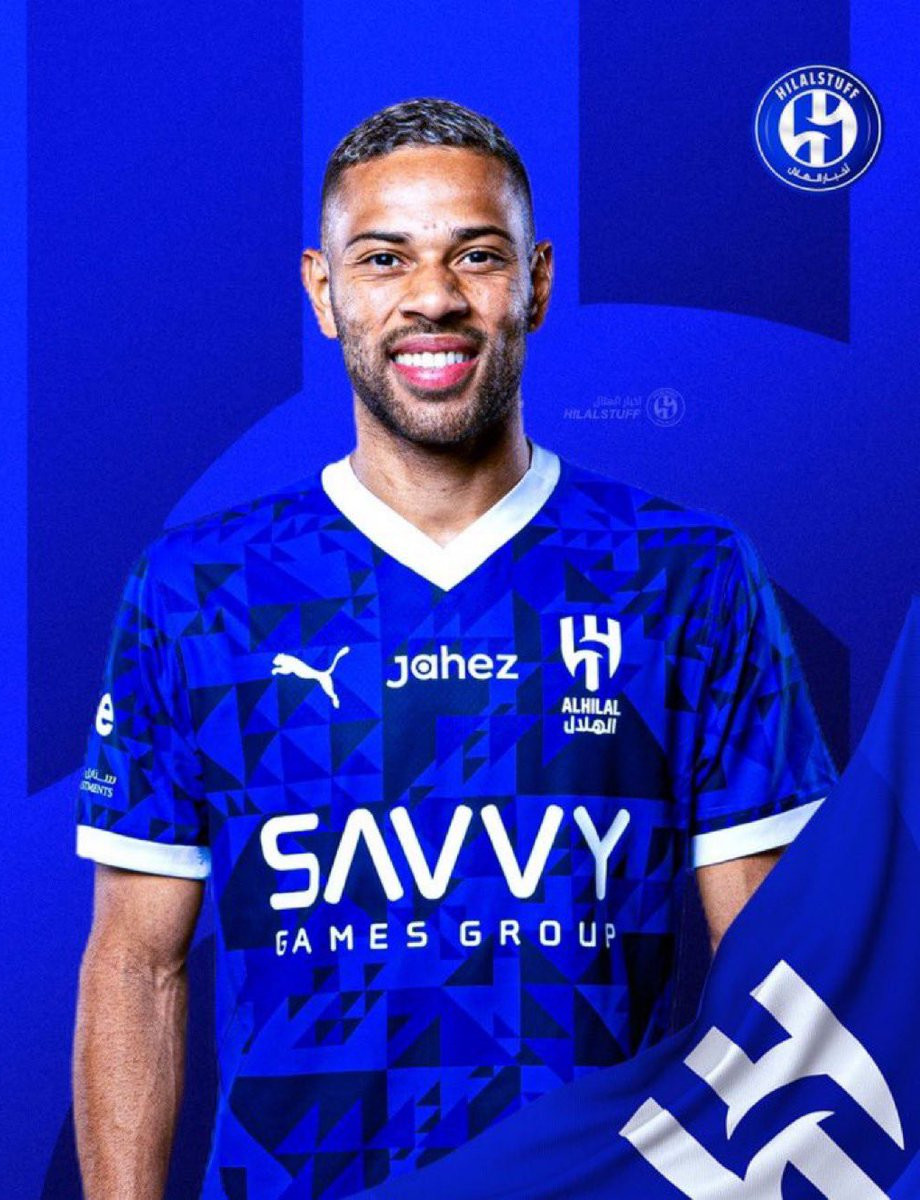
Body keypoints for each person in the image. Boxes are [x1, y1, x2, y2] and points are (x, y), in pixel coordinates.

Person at [72, 97, 837, 1200]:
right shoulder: (199, 590)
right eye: (383, 259)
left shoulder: (685, 573)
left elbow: (776, 976)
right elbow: (136, 967)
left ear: (536, 282)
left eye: (476, 255)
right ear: (322, 291)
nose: (432, 296)